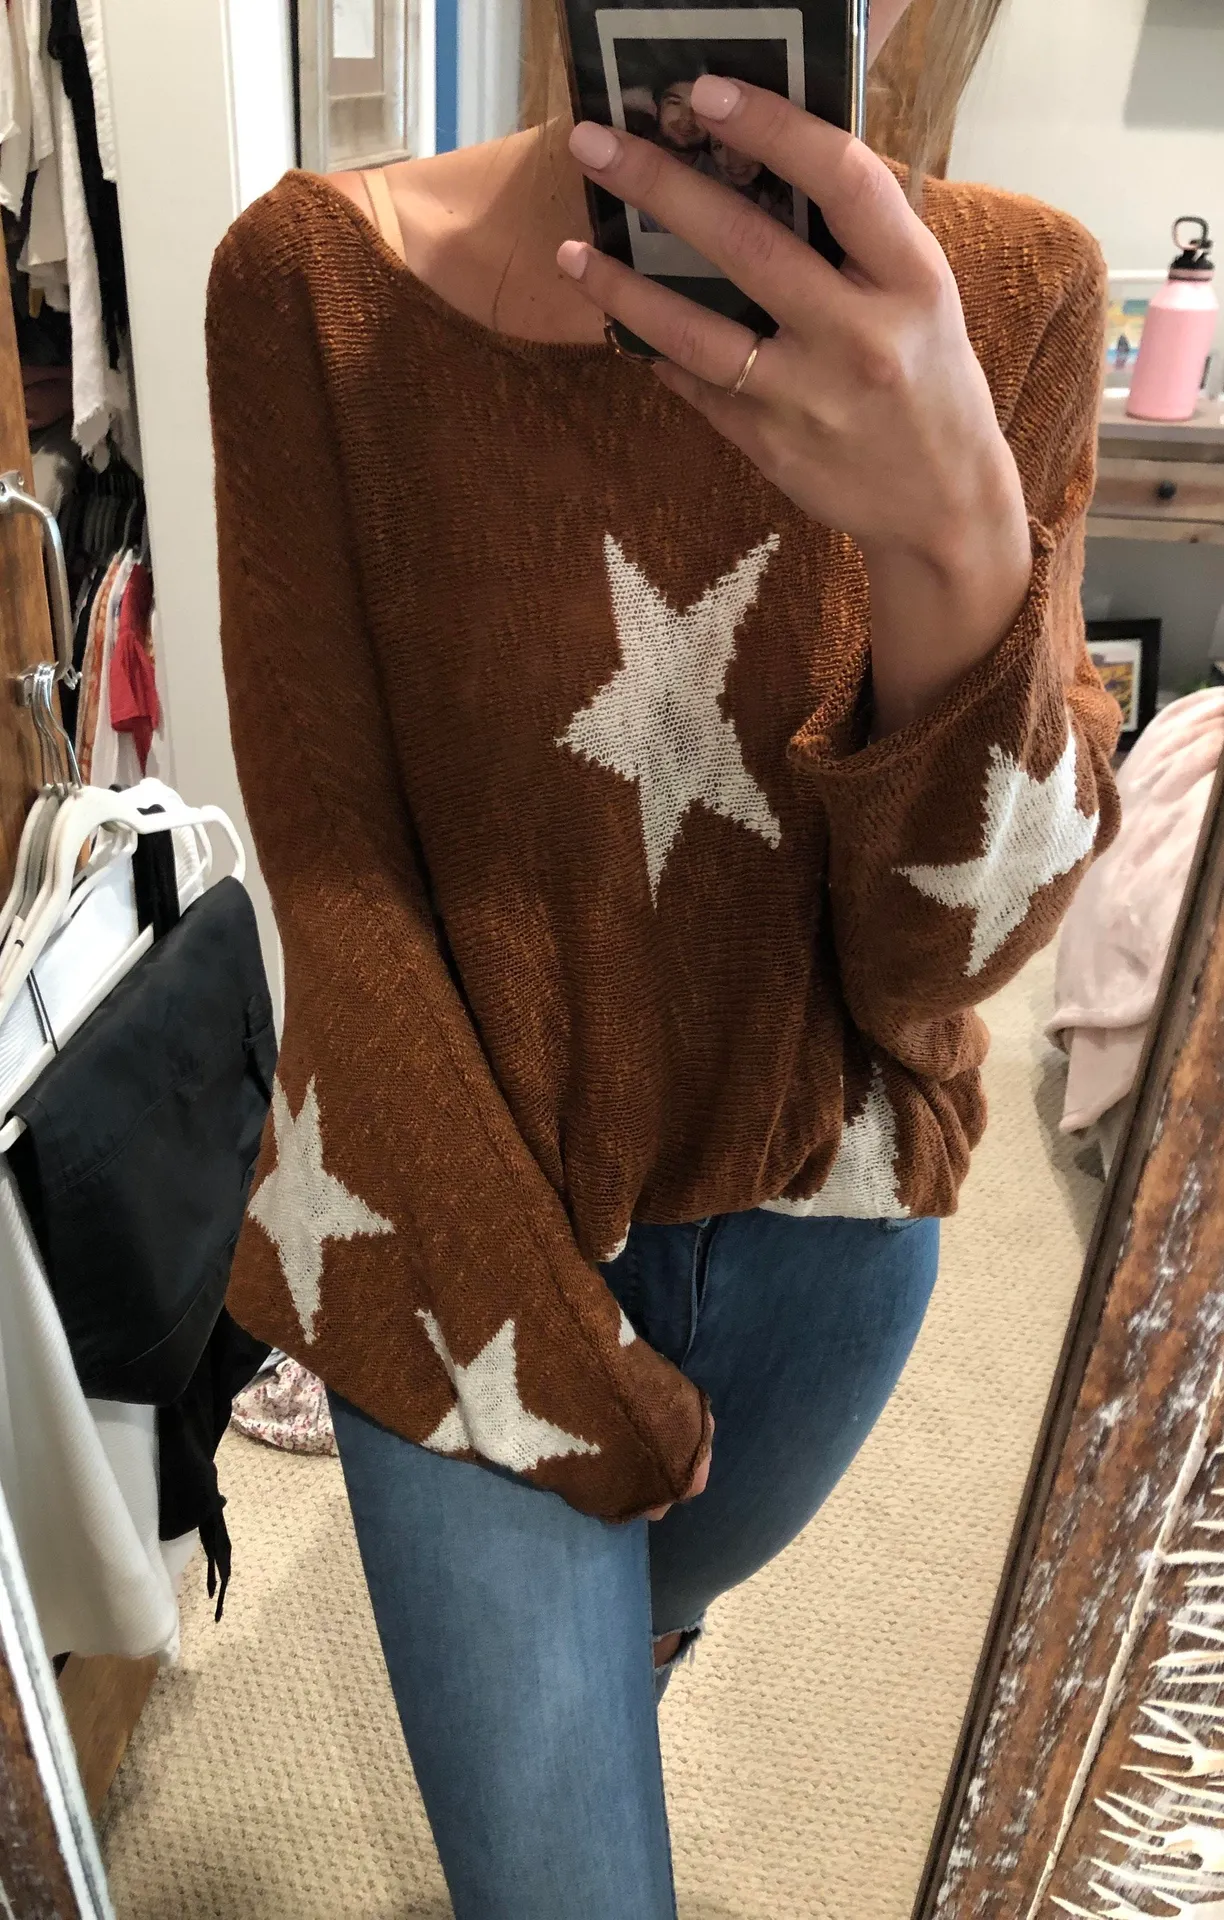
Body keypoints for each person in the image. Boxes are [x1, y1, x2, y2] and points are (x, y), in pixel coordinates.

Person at [204, 0, 1121, 1911]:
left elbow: (930, 974)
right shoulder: (310, 288)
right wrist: (562, 1373)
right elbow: (337, 888)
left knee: (624, 1647)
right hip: (452, 1242)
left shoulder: (1014, 302)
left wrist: (960, 546)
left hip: (821, 1263)